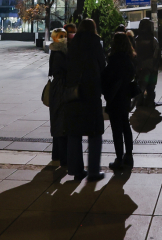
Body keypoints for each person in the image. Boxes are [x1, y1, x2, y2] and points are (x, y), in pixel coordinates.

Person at [64, 18, 107, 181]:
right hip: (91, 91)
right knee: (95, 132)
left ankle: (76, 170)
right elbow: (102, 65)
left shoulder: (73, 43)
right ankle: (94, 171)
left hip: (74, 92)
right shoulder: (95, 42)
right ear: (93, 28)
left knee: (74, 132)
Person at [102, 32, 137, 169]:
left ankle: (119, 158)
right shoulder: (130, 58)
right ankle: (129, 156)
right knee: (125, 126)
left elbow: (107, 77)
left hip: (115, 97)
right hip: (125, 96)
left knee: (116, 129)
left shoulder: (114, 59)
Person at [48, 28, 69, 167]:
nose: (63, 38)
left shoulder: (57, 51)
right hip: (61, 88)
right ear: (55, 38)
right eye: (60, 36)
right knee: (61, 121)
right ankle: (62, 156)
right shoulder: (60, 52)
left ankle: (56, 153)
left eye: (65, 35)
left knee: (57, 120)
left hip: (57, 88)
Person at [134, 18, 161, 108]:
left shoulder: (136, 40)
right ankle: (150, 102)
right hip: (151, 66)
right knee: (151, 86)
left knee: (140, 85)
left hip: (139, 66)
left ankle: (139, 102)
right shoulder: (153, 40)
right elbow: (156, 55)